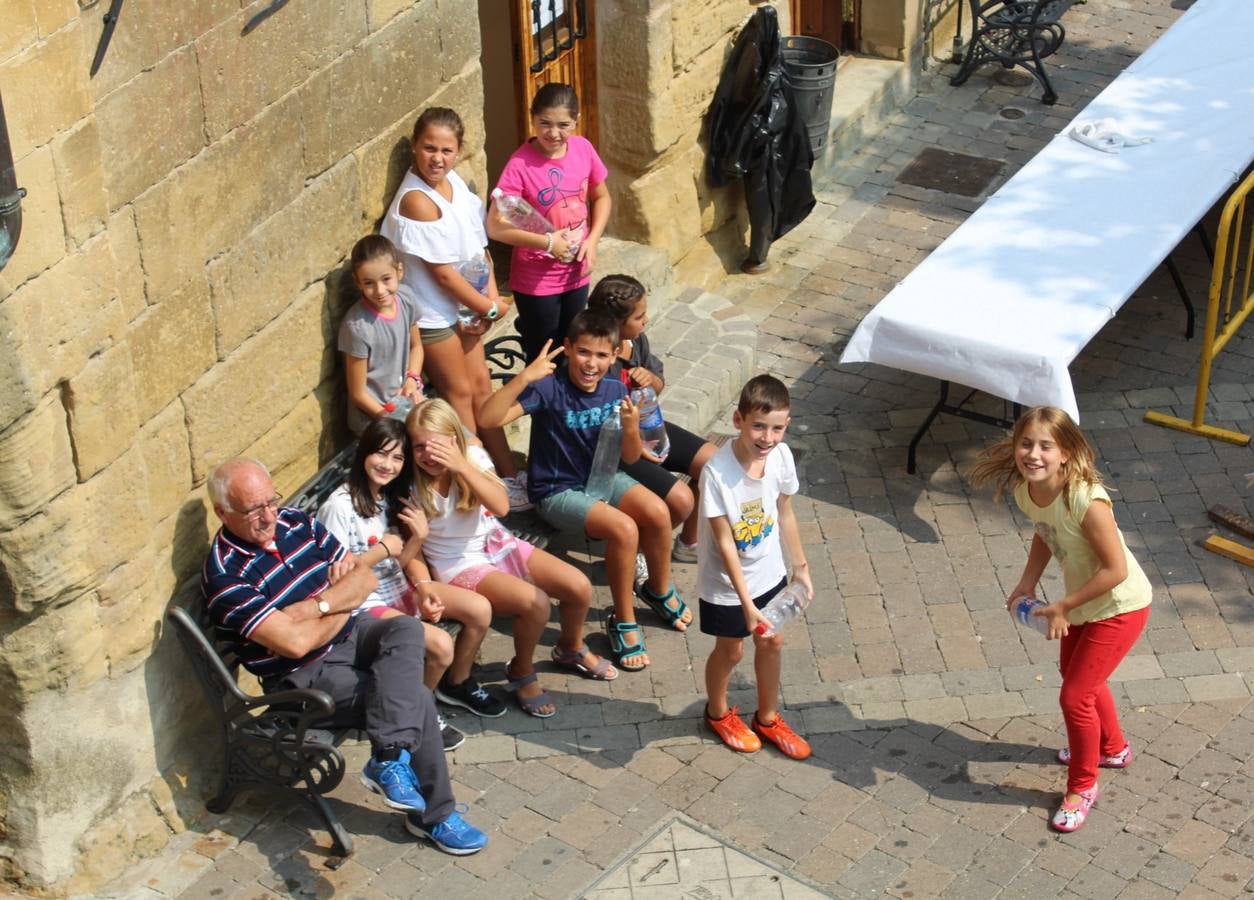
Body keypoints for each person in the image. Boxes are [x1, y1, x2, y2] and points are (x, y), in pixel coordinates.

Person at [202, 457, 488, 854]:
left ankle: (388, 760)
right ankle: (432, 813)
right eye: (253, 509)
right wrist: (338, 602)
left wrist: (312, 609)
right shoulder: (225, 575)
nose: (269, 516)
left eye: (271, 501)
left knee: (405, 628)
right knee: (416, 697)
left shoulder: (296, 524)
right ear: (222, 511)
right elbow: (295, 646)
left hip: (352, 635)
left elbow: (363, 576)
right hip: (303, 677)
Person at [970, 406, 1152, 833]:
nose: (1033, 454)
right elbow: (1044, 533)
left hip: (1121, 606)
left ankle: (1083, 787)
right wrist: (1026, 585)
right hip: (1088, 604)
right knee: (1077, 677)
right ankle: (1113, 747)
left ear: (1066, 452)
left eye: (1046, 446)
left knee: (1075, 696)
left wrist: (1064, 606)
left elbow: (1116, 570)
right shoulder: (1028, 491)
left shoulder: (1087, 500)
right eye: (1026, 443)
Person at [479, 310, 688, 672]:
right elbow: (488, 419)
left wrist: (631, 427)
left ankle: (657, 588)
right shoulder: (549, 387)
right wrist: (524, 377)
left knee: (657, 511)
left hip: (602, 475)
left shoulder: (615, 387)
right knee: (624, 529)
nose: (592, 364)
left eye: (602, 355)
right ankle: (623, 620)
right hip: (556, 489)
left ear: (614, 356)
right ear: (568, 349)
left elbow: (630, 455)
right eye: (584, 353)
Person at [408, 399, 617, 716]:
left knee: (579, 587)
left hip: (496, 542)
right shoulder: (412, 485)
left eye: (437, 444)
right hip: (457, 564)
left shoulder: (471, 458)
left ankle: (571, 648)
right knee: (536, 604)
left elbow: (501, 505)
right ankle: (522, 671)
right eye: (419, 446)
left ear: (454, 438)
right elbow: (411, 546)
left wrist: (461, 466)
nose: (429, 454)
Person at [380, 106, 528, 509]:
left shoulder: (455, 184)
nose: (437, 158)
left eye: (446, 150)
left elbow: (478, 252)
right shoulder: (417, 201)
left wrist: (490, 301)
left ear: (459, 151)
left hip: (465, 307)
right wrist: (492, 309)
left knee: (483, 389)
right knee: (460, 397)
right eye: (429, 148)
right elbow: (442, 275)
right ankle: (481, 486)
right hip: (432, 315)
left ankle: (508, 474)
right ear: (415, 146)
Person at [315, 417, 464, 750]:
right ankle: (419, 713)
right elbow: (334, 578)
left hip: (395, 591)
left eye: (398, 458)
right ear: (364, 452)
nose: (388, 465)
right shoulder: (338, 508)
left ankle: (422, 705)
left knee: (473, 611)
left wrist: (419, 539)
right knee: (440, 647)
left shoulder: (386, 499)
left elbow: (395, 562)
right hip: (364, 607)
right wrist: (381, 549)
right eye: (381, 454)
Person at [698, 375, 812, 760]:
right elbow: (724, 541)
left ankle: (767, 718)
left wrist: (801, 568)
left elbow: (784, 511)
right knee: (730, 652)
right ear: (738, 421)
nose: (767, 438)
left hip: (769, 572)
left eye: (777, 428)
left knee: (772, 640)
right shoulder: (717, 473)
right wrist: (746, 604)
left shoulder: (781, 457)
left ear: (787, 425)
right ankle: (717, 713)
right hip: (728, 587)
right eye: (758, 427)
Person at [588, 273, 720, 563]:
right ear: (615, 324)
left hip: (649, 429)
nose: (645, 320)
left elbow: (659, 383)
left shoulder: (636, 343)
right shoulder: (595, 358)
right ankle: (633, 556)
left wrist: (650, 381)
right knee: (679, 500)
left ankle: (687, 543)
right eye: (639, 316)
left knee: (715, 464)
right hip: (616, 447)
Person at [486, 83, 610, 362]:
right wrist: (548, 242)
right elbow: (494, 227)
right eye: (545, 123)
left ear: (576, 120)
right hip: (537, 281)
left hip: (577, 272)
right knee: (544, 357)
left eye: (563, 124)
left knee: (575, 348)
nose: (554, 133)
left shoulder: (583, 149)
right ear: (532, 118)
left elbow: (602, 197)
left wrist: (592, 241)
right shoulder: (520, 165)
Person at [339, 235, 425, 436]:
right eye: (368, 283)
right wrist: (390, 419)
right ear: (357, 282)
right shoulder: (357, 326)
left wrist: (412, 379)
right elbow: (358, 393)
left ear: (399, 271)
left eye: (386, 279)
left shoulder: (406, 299)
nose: (379, 290)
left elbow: (417, 347)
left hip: (404, 402)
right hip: (375, 418)